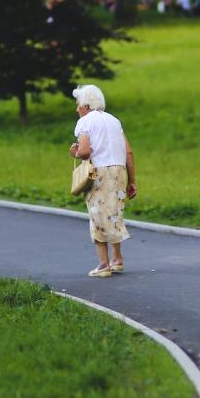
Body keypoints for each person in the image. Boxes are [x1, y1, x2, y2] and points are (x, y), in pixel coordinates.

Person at [69, 85, 137, 277]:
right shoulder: (114, 121)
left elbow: (84, 151)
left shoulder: (84, 122)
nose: (76, 109)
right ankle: (117, 260)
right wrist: (132, 181)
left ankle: (103, 265)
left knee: (97, 216)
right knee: (114, 214)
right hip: (119, 171)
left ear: (86, 105)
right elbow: (129, 152)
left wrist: (74, 152)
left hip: (99, 173)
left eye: (78, 105)